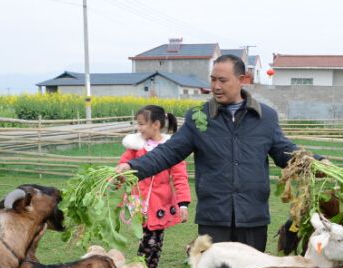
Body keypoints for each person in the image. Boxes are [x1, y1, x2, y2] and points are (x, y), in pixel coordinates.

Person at [115, 54, 307, 252]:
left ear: (242, 80)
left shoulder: (265, 117)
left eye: (222, 80)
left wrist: (315, 163)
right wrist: (132, 167)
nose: (216, 86)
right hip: (214, 215)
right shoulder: (199, 117)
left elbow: (284, 151)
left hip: (252, 215)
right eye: (213, 79)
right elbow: (168, 152)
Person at [118, 104, 191, 268]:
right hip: (138, 202)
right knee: (149, 241)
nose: (139, 128)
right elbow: (122, 168)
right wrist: (116, 179)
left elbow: (180, 177)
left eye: (142, 124)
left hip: (160, 204)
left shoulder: (171, 149)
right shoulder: (135, 148)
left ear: (156, 125)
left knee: (154, 243)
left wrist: (183, 204)